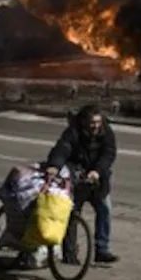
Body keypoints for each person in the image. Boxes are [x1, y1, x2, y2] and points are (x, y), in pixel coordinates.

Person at [44, 104, 118, 263]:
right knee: (72, 214)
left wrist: (97, 171)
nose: (96, 126)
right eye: (92, 123)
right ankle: (69, 253)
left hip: (98, 180)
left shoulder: (106, 132)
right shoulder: (73, 132)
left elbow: (109, 153)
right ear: (84, 121)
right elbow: (63, 148)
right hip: (77, 178)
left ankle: (102, 249)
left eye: (98, 122)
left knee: (105, 209)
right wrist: (55, 166)